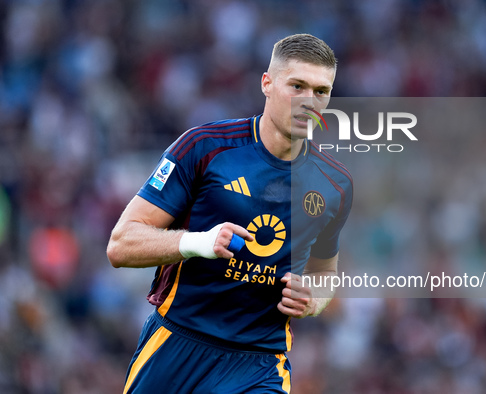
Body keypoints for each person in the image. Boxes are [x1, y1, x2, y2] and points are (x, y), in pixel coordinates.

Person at [107, 33, 353, 394]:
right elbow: (120, 245)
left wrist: (314, 298)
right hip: (177, 345)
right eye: (297, 85)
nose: (309, 102)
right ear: (267, 83)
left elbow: (324, 271)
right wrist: (198, 242)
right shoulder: (204, 148)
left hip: (260, 363)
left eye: (320, 91)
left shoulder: (335, 184)